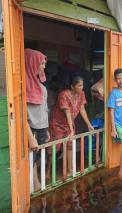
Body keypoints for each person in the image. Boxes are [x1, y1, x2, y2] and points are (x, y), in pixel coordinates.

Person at [49, 75, 94, 176]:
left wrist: (89, 125)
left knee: (70, 145)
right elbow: (67, 112)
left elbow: (82, 109)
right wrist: (71, 129)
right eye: (79, 85)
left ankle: (70, 171)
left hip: (69, 123)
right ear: (72, 86)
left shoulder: (81, 94)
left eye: (82, 85)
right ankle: (47, 171)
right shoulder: (64, 94)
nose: (82, 88)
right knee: (54, 148)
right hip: (57, 123)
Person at [25, 48, 50, 191]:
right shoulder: (23, 87)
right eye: (41, 63)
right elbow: (22, 115)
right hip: (31, 129)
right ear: (32, 63)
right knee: (30, 158)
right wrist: (30, 137)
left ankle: (35, 184)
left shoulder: (39, 85)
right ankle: (33, 185)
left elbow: (44, 109)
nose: (44, 66)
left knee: (35, 158)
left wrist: (45, 129)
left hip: (41, 128)